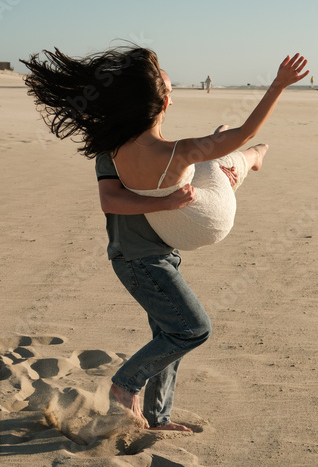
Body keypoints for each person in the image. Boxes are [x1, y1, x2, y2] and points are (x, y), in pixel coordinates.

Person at [20, 47, 308, 431]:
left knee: (168, 337)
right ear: (159, 103)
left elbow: (119, 196)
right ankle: (125, 384)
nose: (170, 95)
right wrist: (278, 85)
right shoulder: (152, 152)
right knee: (192, 329)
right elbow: (111, 201)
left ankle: (157, 418)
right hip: (139, 260)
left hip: (155, 257)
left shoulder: (123, 149)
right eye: (167, 90)